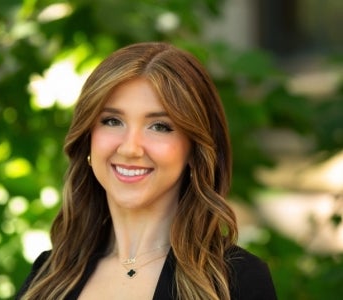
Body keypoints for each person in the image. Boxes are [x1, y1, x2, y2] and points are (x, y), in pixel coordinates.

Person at [16, 42, 277, 300]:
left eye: (160, 126)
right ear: (87, 138)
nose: (130, 148)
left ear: (194, 149)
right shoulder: (47, 277)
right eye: (112, 121)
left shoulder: (236, 281)